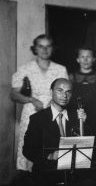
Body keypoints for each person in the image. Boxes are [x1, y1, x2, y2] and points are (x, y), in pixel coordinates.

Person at [23, 78, 96, 186]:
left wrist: (84, 124)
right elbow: (27, 149)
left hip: (74, 168)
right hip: (49, 169)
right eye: (60, 90)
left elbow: (89, 143)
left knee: (90, 183)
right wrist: (50, 156)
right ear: (52, 92)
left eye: (68, 91)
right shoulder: (38, 118)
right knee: (39, 184)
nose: (64, 95)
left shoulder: (77, 116)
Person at [11, 34, 68, 172]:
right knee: (31, 145)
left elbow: (65, 91)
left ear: (52, 49)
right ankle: (29, 179)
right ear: (35, 49)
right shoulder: (25, 68)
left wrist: (51, 104)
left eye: (48, 46)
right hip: (32, 111)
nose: (44, 49)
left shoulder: (60, 69)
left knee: (51, 146)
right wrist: (31, 99)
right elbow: (14, 94)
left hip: (54, 111)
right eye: (40, 46)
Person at [68, 47, 96, 155]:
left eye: (88, 57)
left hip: (95, 116)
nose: (85, 60)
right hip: (76, 115)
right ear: (77, 59)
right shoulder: (71, 77)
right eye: (82, 57)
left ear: (94, 59)